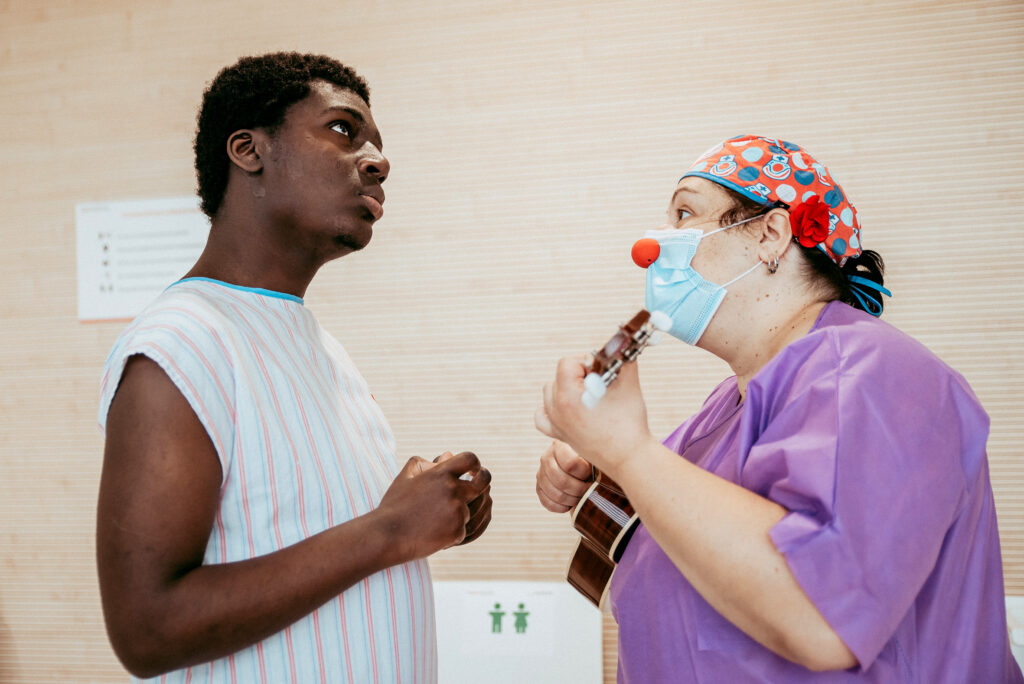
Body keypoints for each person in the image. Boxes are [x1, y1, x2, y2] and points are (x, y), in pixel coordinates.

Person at [534, 135, 1023, 682]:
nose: (652, 246)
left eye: (685, 213)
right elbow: (682, 523)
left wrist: (629, 451)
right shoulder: (726, 406)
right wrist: (600, 467)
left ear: (770, 234)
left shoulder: (874, 375)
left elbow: (822, 615)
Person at [96, 52, 492, 682]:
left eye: (377, 145)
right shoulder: (181, 342)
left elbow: (324, 540)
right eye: (342, 129)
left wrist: (432, 518)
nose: (378, 162)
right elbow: (148, 630)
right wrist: (390, 530)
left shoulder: (324, 350)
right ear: (249, 151)